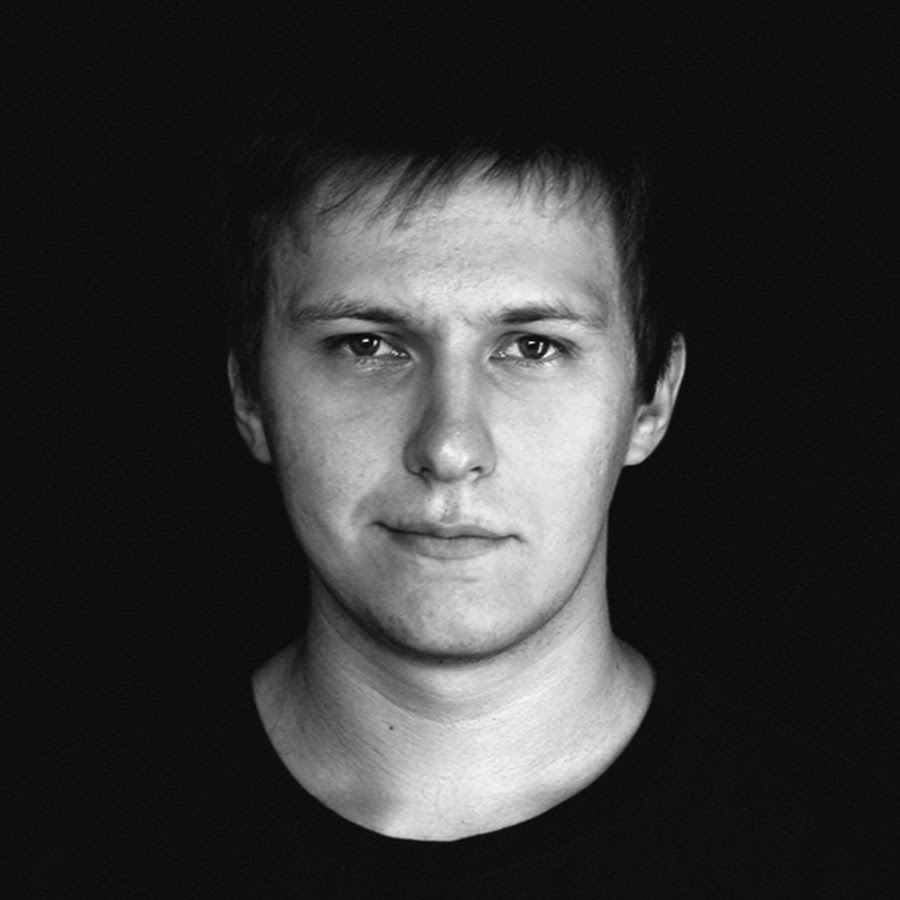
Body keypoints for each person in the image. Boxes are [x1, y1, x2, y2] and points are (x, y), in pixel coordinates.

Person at [37, 106, 877, 896]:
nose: (448, 447)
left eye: (533, 346)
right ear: (251, 397)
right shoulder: (64, 845)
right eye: (367, 345)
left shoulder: (851, 857)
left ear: (651, 401)